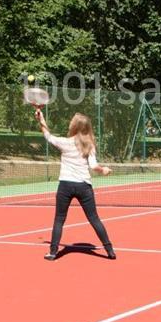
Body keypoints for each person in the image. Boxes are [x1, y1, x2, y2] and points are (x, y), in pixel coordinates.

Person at [35, 109, 116, 261]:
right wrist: (103, 170)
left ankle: (52, 253)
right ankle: (110, 250)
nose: (70, 123)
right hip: (84, 187)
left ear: (76, 127)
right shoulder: (89, 144)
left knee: (59, 219)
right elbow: (94, 166)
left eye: (72, 121)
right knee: (94, 219)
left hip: (65, 186)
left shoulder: (65, 143)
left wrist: (41, 121)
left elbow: (48, 136)